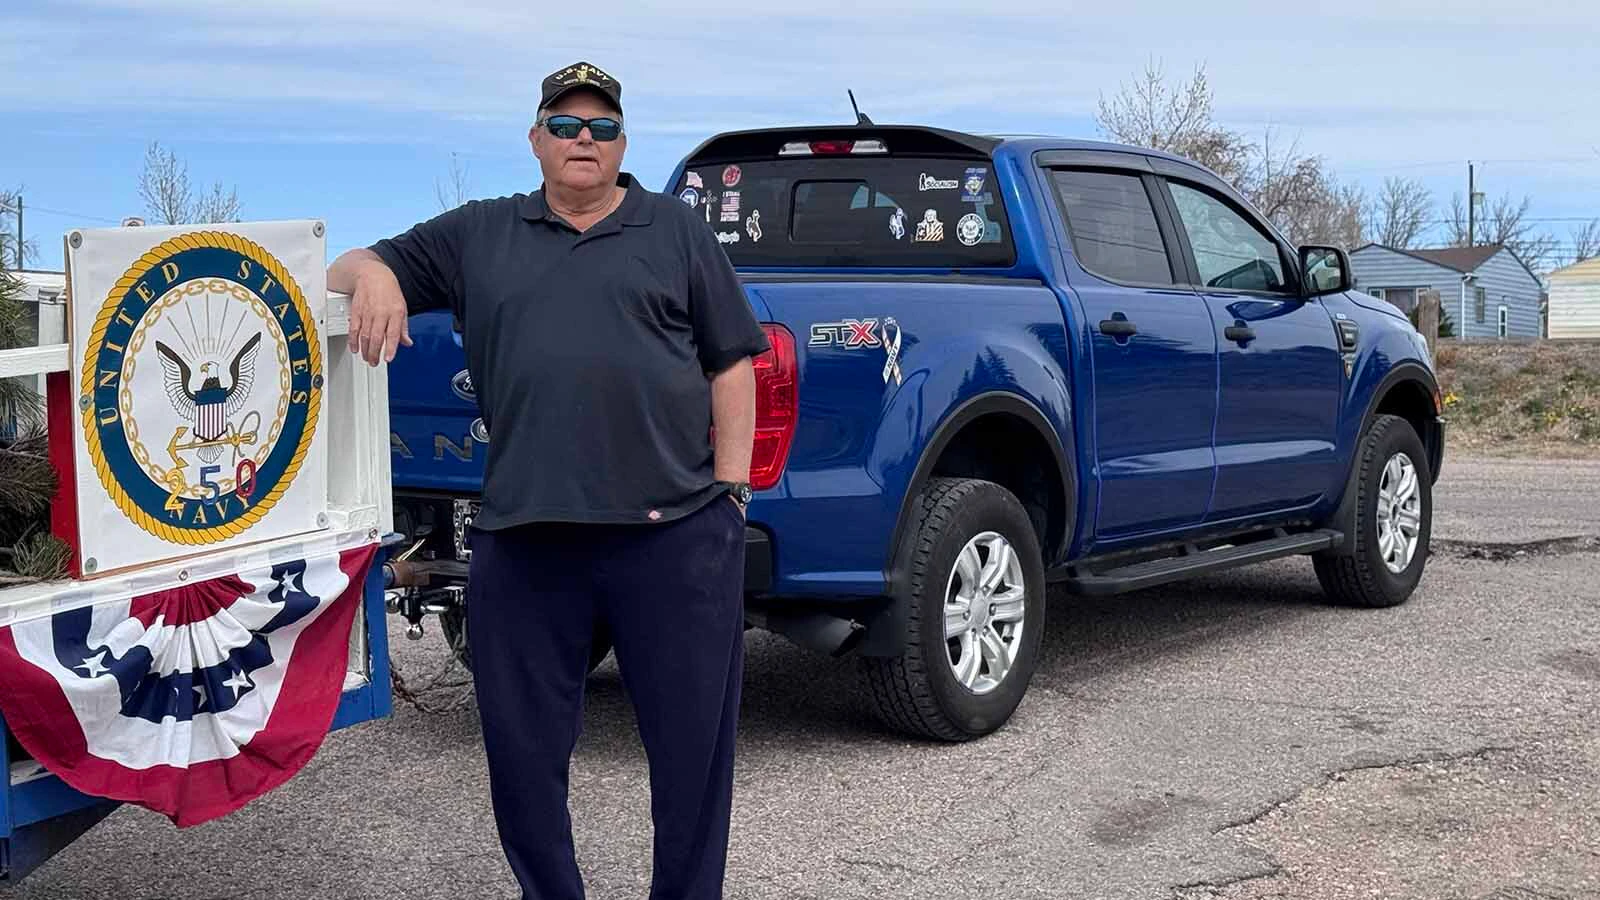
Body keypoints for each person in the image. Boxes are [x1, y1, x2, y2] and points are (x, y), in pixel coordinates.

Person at [327, 60, 768, 900]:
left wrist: (733, 494)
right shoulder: (480, 233)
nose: (583, 141)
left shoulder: (675, 231)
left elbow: (732, 365)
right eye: (565, 126)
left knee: (692, 762)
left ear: (622, 145)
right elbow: (352, 262)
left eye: (601, 128)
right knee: (523, 763)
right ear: (536, 140)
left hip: (671, 539)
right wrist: (378, 274)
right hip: (526, 542)